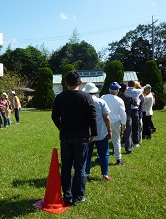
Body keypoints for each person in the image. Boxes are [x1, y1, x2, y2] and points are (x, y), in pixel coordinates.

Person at [52, 72, 97, 206]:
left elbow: (54, 116)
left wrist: (62, 128)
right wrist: (93, 133)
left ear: (66, 83)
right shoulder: (86, 97)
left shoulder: (60, 97)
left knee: (66, 167)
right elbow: (92, 117)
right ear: (80, 83)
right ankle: (78, 196)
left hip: (66, 136)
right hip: (81, 136)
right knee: (80, 167)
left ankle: (67, 195)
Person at [82, 83, 112, 181]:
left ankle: (85, 174)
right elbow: (106, 118)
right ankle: (105, 174)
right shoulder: (101, 101)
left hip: (87, 132)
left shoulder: (82, 102)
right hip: (101, 132)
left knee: (87, 155)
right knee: (104, 154)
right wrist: (109, 130)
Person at [101, 82, 126, 165]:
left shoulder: (103, 97)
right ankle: (118, 159)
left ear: (109, 89)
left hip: (104, 121)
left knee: (102, 140)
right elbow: (122, 113)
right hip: (115, 122)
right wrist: (123, 123)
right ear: (117, 90)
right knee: (116, 141)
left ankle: (100, 156)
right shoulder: (119, 100)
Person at [118, 83, 136, 154]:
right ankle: (128, 148)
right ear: (126, 89)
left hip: (118, 116)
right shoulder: (129, 97)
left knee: (117, 134)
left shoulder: (117, 97)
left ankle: (115, 148)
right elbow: (136, 104)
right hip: (127, 115)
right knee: (128, 132)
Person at [125, 80, 142, 147]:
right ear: (134, 85)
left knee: (127, 127)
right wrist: (139, 86)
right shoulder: (137, 91)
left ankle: (125, 141)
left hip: (127, 110)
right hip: (135, 110)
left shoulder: (126, 91)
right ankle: (136, 142)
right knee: (135, 127)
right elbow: (142, 89)